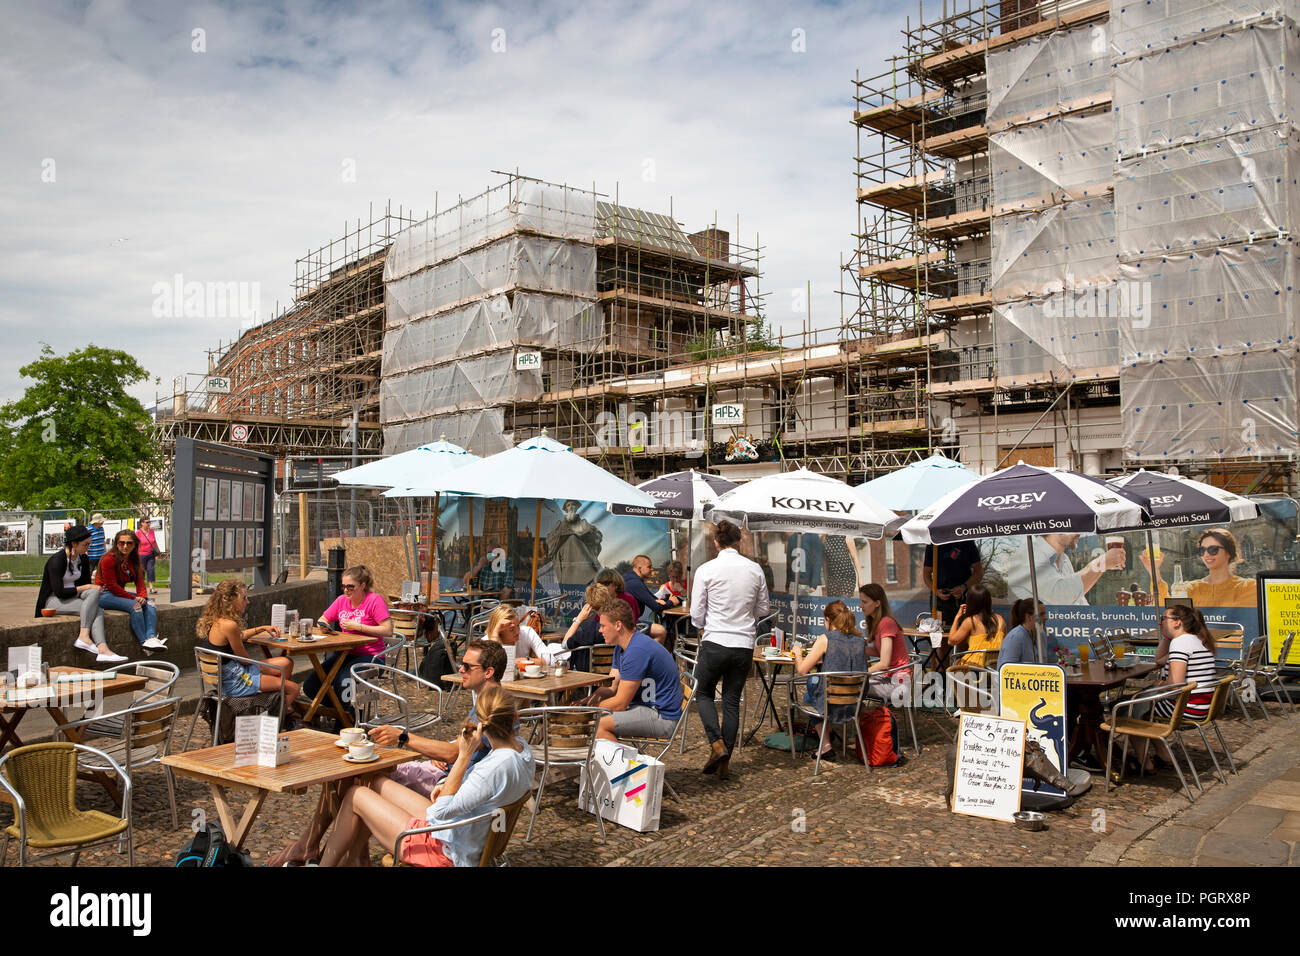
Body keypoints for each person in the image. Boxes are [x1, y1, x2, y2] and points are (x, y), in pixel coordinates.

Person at [269, 640, 508, 867]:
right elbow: (461, 748)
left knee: (357, 775)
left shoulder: (490, 710)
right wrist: (448, 750)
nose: (460, 669)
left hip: (448, 796)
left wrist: (403, 737)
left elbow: (454, 753)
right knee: (360, 774)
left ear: (487, 672)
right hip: (453, 793)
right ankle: (336, 853)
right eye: (461, 663)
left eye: (467, 666)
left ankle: (322, 849)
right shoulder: (494, 703)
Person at [319, 685, 534, 867]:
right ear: (514, 718)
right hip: (463, 832)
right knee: (373, 782)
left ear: (480, 724)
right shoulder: (523, 751)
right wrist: (451, 787)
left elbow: (438, 814)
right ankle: (355, 861)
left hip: (446, 850)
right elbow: (478, 796)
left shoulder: (494, 768)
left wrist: (464, 756)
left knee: (356, 795)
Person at [691, 519, 769, 778]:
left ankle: (716, 744)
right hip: (743, 644)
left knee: (702, 693)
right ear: (739, 541)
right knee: (732, 701)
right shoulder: (755, 569)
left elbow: (696, 614)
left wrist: (705, 624)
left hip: (715, 640)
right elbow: (763, 610)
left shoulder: (706, 569)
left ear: (715, 543)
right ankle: (725, 761)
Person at [592, 599, 683, 745]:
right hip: (647, 708)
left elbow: (620, 703)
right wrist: (589, 700)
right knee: (595, 718)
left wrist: (588, 710)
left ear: (618, 625)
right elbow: (612, 686)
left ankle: (627, 766)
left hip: (662, 717)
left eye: (603, 626)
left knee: (598, 725)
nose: (600, 630)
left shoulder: (636, 651)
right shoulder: (622, 646)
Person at [305, 566, 392, 719]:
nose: (346, 590)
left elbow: (387, 630)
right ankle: (346, 712)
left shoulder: (374, 600)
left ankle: (348, 720)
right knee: (310, 686)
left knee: (343, 682)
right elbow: (323, 618)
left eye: (350, 586)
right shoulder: (341, 601)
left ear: (362, 586)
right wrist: (324, 625)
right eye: (343, 586)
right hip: (345, 653)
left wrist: (358, 626)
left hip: (371, 656)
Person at [196, 579, 299, 706]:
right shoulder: (229, 625)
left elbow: (239, 636)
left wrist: (261, 628)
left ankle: (271, 700)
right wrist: (261, 671)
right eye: (244, 598)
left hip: (228, 675)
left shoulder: (217, 620)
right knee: (293, 688)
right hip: (235, 681)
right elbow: (244, 660)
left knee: (286, 663)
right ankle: (274, 714)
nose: (247, 602)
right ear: (231, 600)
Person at [1140, 605, 1217, 772]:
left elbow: (1176, 684)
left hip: (1186, 708)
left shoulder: (1181, 643)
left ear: (1177, 622)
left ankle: (1144, 764)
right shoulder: (1194, 640)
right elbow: (1160, 660)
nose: (1160, 623)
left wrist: (1158, 685)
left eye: (1164, 619)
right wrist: (1167, 637)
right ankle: (1163, 755)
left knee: (1129, 709)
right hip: (1201, 706)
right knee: (1139, 704)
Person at [791, 600, 869, 761]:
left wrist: (798, 653)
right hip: (854, 704)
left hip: (830, 705)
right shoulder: (860, 640)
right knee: (818, 685)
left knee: (809, 692)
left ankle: (826, 746)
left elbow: (802, 670)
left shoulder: (825, 639)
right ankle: (830, 735)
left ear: (827, 620)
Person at [36, 525, 123, 663]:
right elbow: (60, 592)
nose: (88, 547)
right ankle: (99, 646)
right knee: (97, 610)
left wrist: (92, 588)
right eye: (85, 544)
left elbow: (85, 586)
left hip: (72, 596)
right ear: (73, 544)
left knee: (94, 595)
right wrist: (88, 586)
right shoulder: (57, 561)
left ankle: (96, 645)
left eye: (89, 544)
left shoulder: (82, 559)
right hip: (53, 600)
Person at [1004, 533, 1124, 606]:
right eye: (1073, 524)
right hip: (1038, 642)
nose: (1080, 532)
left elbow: (1079, 602)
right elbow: (1062, 597)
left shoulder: (1064, 559)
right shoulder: (1027, 556)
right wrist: (1101, 563)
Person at [96, 530, 165, 651]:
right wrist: (134, 598)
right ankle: (144, 642)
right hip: (104, 594)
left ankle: (152, 638)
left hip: (118, 594)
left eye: (129, 543)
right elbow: (111, 586)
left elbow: (140, 581)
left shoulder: (134, 559)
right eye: (121, 543)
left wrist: (142, 595)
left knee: (150, 603)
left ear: (135, 545)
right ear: (116, 544)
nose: (125, 546)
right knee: (135, 606)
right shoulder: (108, 559)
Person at [860, 583, 911, 701]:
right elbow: (878, 651)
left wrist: (861, 673)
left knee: (853, 685)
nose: (860, 605)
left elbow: (884, 663)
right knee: (850, 683)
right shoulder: (877, 622)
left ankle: (849, 717)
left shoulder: (886, 623)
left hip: (898, 684)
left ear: (877, 603)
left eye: (865, 602)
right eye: (861, 601)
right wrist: (854, 648)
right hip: (888, 678)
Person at [1184, 529, 1255, 608]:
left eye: (1213, 549)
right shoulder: (1189, 588)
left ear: (1229, 552)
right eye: (1202, 550)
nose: (1206, 554)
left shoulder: (1248, 587)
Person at [923, 541, 983, 625]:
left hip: (964, 598)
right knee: (940, 633)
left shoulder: (967, 542)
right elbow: (926, 575)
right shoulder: (933, 543)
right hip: (940, 600)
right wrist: (936, 591)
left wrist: (963, 587)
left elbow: (979, 572)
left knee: (965, 631)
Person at [944, 585, 1005, 669]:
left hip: (975, 668)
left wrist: (957, 618)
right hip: (995, 667)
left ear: (970, 602)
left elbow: (951, 641)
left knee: (956, 664)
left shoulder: (970, 621)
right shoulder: (1000, 620)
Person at [546, 499, 603, 586]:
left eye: (573, 505)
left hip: (582, 555)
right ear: (566, 509)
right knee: (572, 538)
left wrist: (586, 532)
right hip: (564, 555)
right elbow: (550, 540)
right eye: (569, 505)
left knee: (574, 540)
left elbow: (597, 536)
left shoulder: (584, 523)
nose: (571, 507)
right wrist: (564, 535)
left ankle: (589, 575)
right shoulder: (560, 525)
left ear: (576, 508)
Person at [561, 582, 614, 672]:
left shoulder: (591, 632)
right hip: (613, 673)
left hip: (587, 675)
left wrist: (578, 619)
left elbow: (564, 644)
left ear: (590, 605)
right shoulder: (618, 626)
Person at [485, 604, 548, 680]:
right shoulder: (486, 642)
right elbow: (492, 668)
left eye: (518, 625)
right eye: (511, 629)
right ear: (499, 631)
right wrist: (495, 636)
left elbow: (549, 660)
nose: (517, 631)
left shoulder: (526, 632)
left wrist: (523, 661)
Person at [622, 554, 674, 643]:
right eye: (649, 567)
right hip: (628, 625)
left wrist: (662, 601)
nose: (652, 569)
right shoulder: (635, 584)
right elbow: (656, 607)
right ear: (639, 568)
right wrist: (671, 602)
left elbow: (652, 599)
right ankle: (647, 655)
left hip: (625, 622)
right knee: (661, 631)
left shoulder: (632, 580)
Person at [996, 598, 1044, 668]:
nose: (1046, 617)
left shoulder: (1041, 635)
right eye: (1041, 614)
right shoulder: (1015, 638)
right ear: (1029, 617)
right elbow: (1007, 671)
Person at [135, 516, 160, 595]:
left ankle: (151, 587)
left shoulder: (152, 531)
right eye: (147, 522)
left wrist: (158, 552)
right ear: (142, 523)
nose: (149, 524)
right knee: (141, 572)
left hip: (150, 554)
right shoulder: (138, 533)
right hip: (141, 555)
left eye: (149, 522)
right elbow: (135, 544)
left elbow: (154, 542)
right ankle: (141, 588)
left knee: (151, 570)